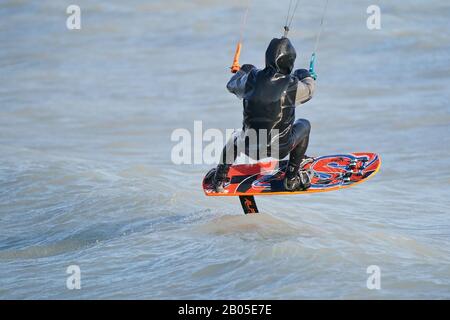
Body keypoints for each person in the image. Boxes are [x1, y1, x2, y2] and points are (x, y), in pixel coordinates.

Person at [212, 37, 316, 192]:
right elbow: (310, 90)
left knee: (234, 137)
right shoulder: (293, 85)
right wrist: (305, 75)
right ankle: (291, 178)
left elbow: (231, 85)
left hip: (249, 147)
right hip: (281, 149)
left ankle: (219, 179)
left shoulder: (250, 79)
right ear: (290, 61)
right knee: (305, 124)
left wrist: (244, 69)